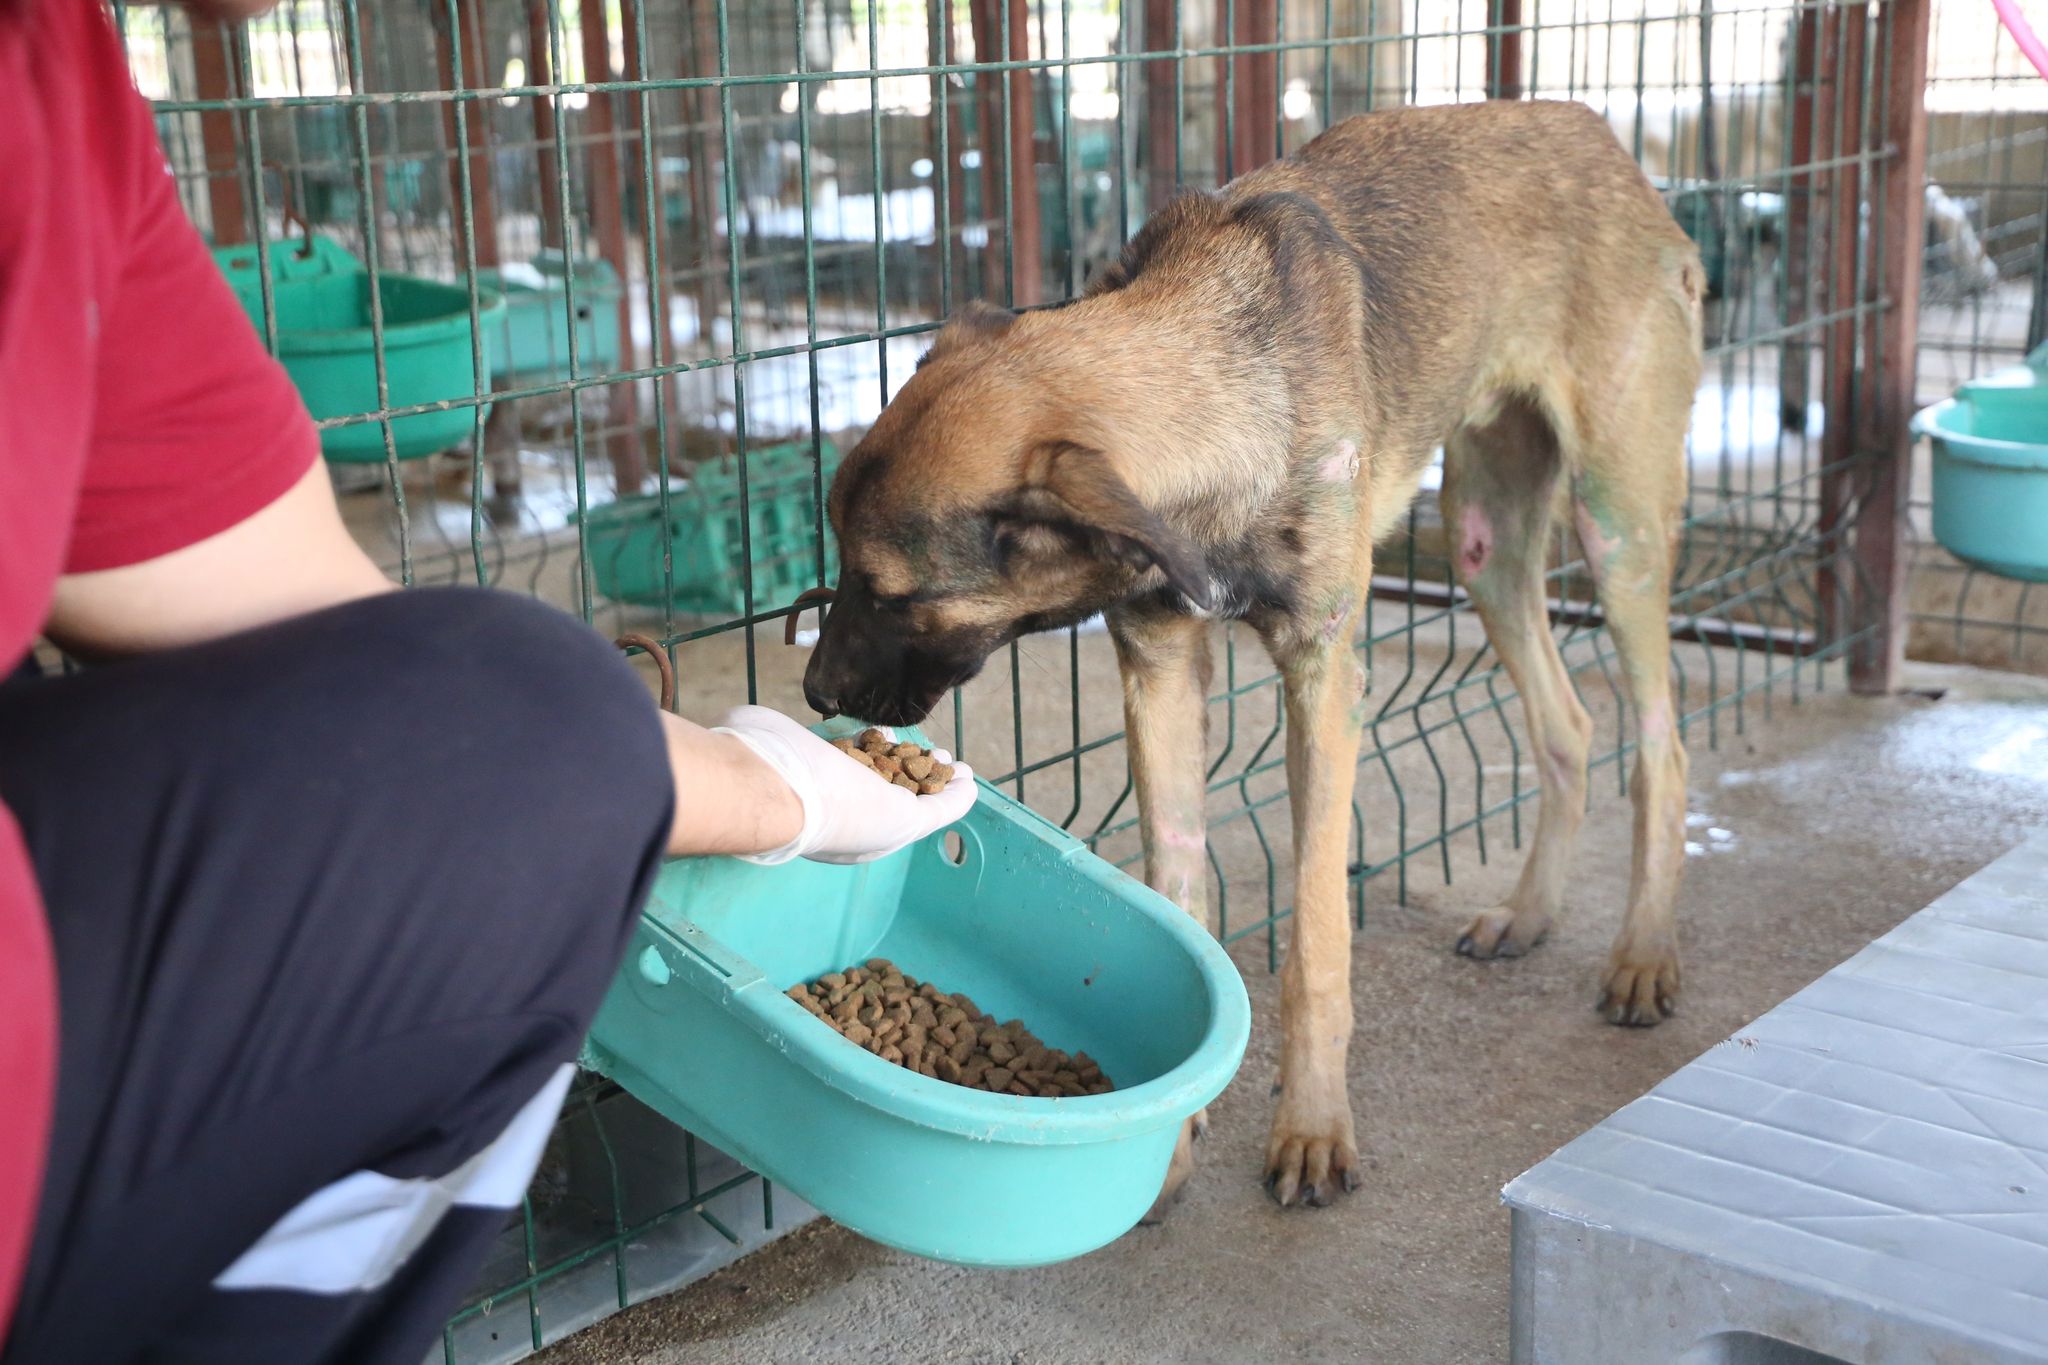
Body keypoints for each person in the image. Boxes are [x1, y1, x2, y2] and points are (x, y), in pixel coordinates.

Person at [0, 0, 975, 1359]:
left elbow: (314, 631)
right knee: (536, 742)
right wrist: (620, 774)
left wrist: (763, 785)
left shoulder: (54, 69)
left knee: (516, 722)